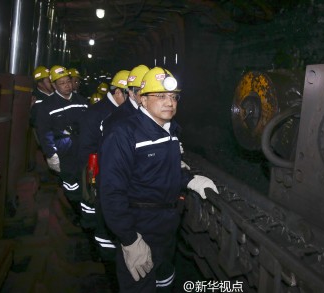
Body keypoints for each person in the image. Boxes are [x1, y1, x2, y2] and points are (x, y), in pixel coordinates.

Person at [99, 67, 218, 292]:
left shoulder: (170, 130)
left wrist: (189, 180)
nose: (169, 102)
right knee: (140, 284)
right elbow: (111, 191)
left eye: (173, 97)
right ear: (142, 100)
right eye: (160, 96)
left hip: (167, 222)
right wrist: (129, 239)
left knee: (164, 279)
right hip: (140, 225)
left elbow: (164, 170)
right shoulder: (124, 133)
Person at [78, 69, 130, 261]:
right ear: (118, 93)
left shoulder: (124, 111)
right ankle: (98, 254)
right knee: (95, 214)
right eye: (130, 93)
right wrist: (92, 177)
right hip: (97, 172)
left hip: (113, 175)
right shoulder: (97, 113)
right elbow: (85, 149)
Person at [36, 65, 88, 221]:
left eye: (68, 81)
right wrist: (51, 154)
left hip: (83, 150)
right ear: (53, 85)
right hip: (64, 153)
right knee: (72, 187)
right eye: (62, 83)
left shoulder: (82, 101)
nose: (67, 86)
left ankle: (87, 216)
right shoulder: (47, 106)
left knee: (87, 185)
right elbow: (44, 133)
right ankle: (78, 213)